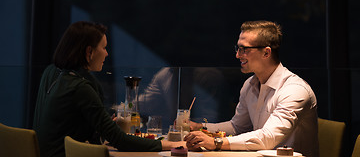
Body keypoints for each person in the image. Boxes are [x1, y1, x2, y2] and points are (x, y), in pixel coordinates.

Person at [33, 21, 184, 157]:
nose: (107, 54)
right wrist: (170, 145)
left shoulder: (51, 73)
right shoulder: (80, 88)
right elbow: (118, 140)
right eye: (104, 48)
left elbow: (68, 123)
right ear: (89, 52)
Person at [184, 20, 319, 157]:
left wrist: (217, 142)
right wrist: (200, 127)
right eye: (237, 48)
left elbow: (269, 137)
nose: (238, 55)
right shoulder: (250, 84)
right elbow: (237, 127)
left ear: (266, 53)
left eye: (244, 49)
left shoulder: (294, 90)